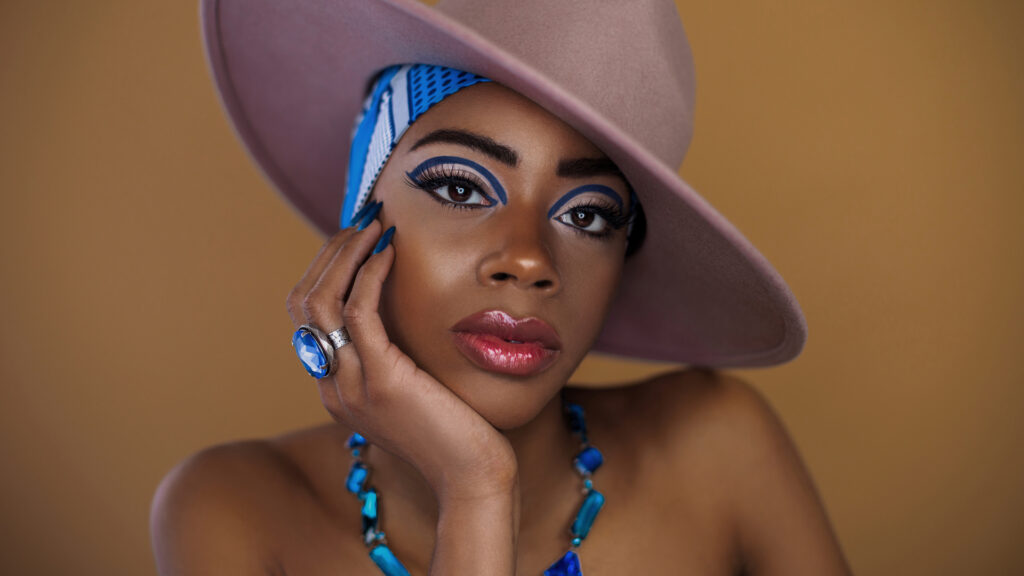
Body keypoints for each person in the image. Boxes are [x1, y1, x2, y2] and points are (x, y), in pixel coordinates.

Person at [151, 0, 851, 574]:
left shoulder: (719, 447)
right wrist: (477, 488)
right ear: (361, 219)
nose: (527, 260)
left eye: (587, 215)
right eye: (459, 187)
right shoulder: (234, 511)